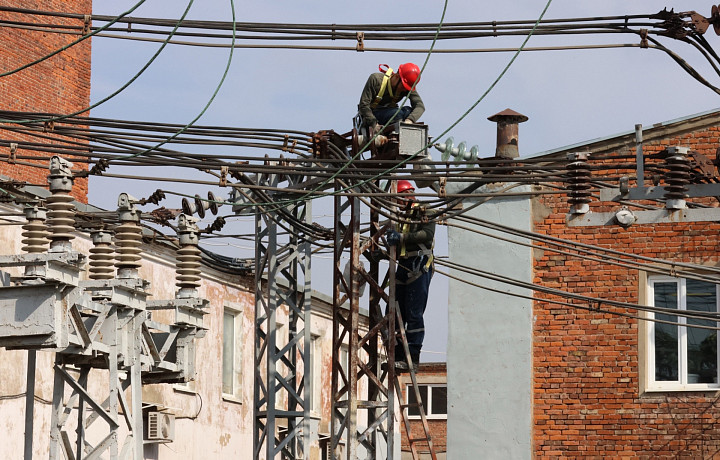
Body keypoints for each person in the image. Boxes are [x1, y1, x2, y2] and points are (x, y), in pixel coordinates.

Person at [385, 180, 434, 371]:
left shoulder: (424, 209)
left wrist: (402, 237)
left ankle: (413, 358)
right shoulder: (400, 216)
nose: (396, 204)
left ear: (407, 196)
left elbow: (427, 235)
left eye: (398, 199)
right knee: (397, 312)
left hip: (420, 264)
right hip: (404, 265)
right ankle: (398, 356)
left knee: (414, 313)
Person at [357, 63, 425, 131]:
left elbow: (420, 106)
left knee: (408, 111)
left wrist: (410, 120)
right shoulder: (376, 80)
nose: (405, 90)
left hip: (391, 114)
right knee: (397, 113)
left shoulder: (407, 87)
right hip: (373, 115)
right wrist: (374, 124)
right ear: (397, 76)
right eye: (403, 86)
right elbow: (364, 105)